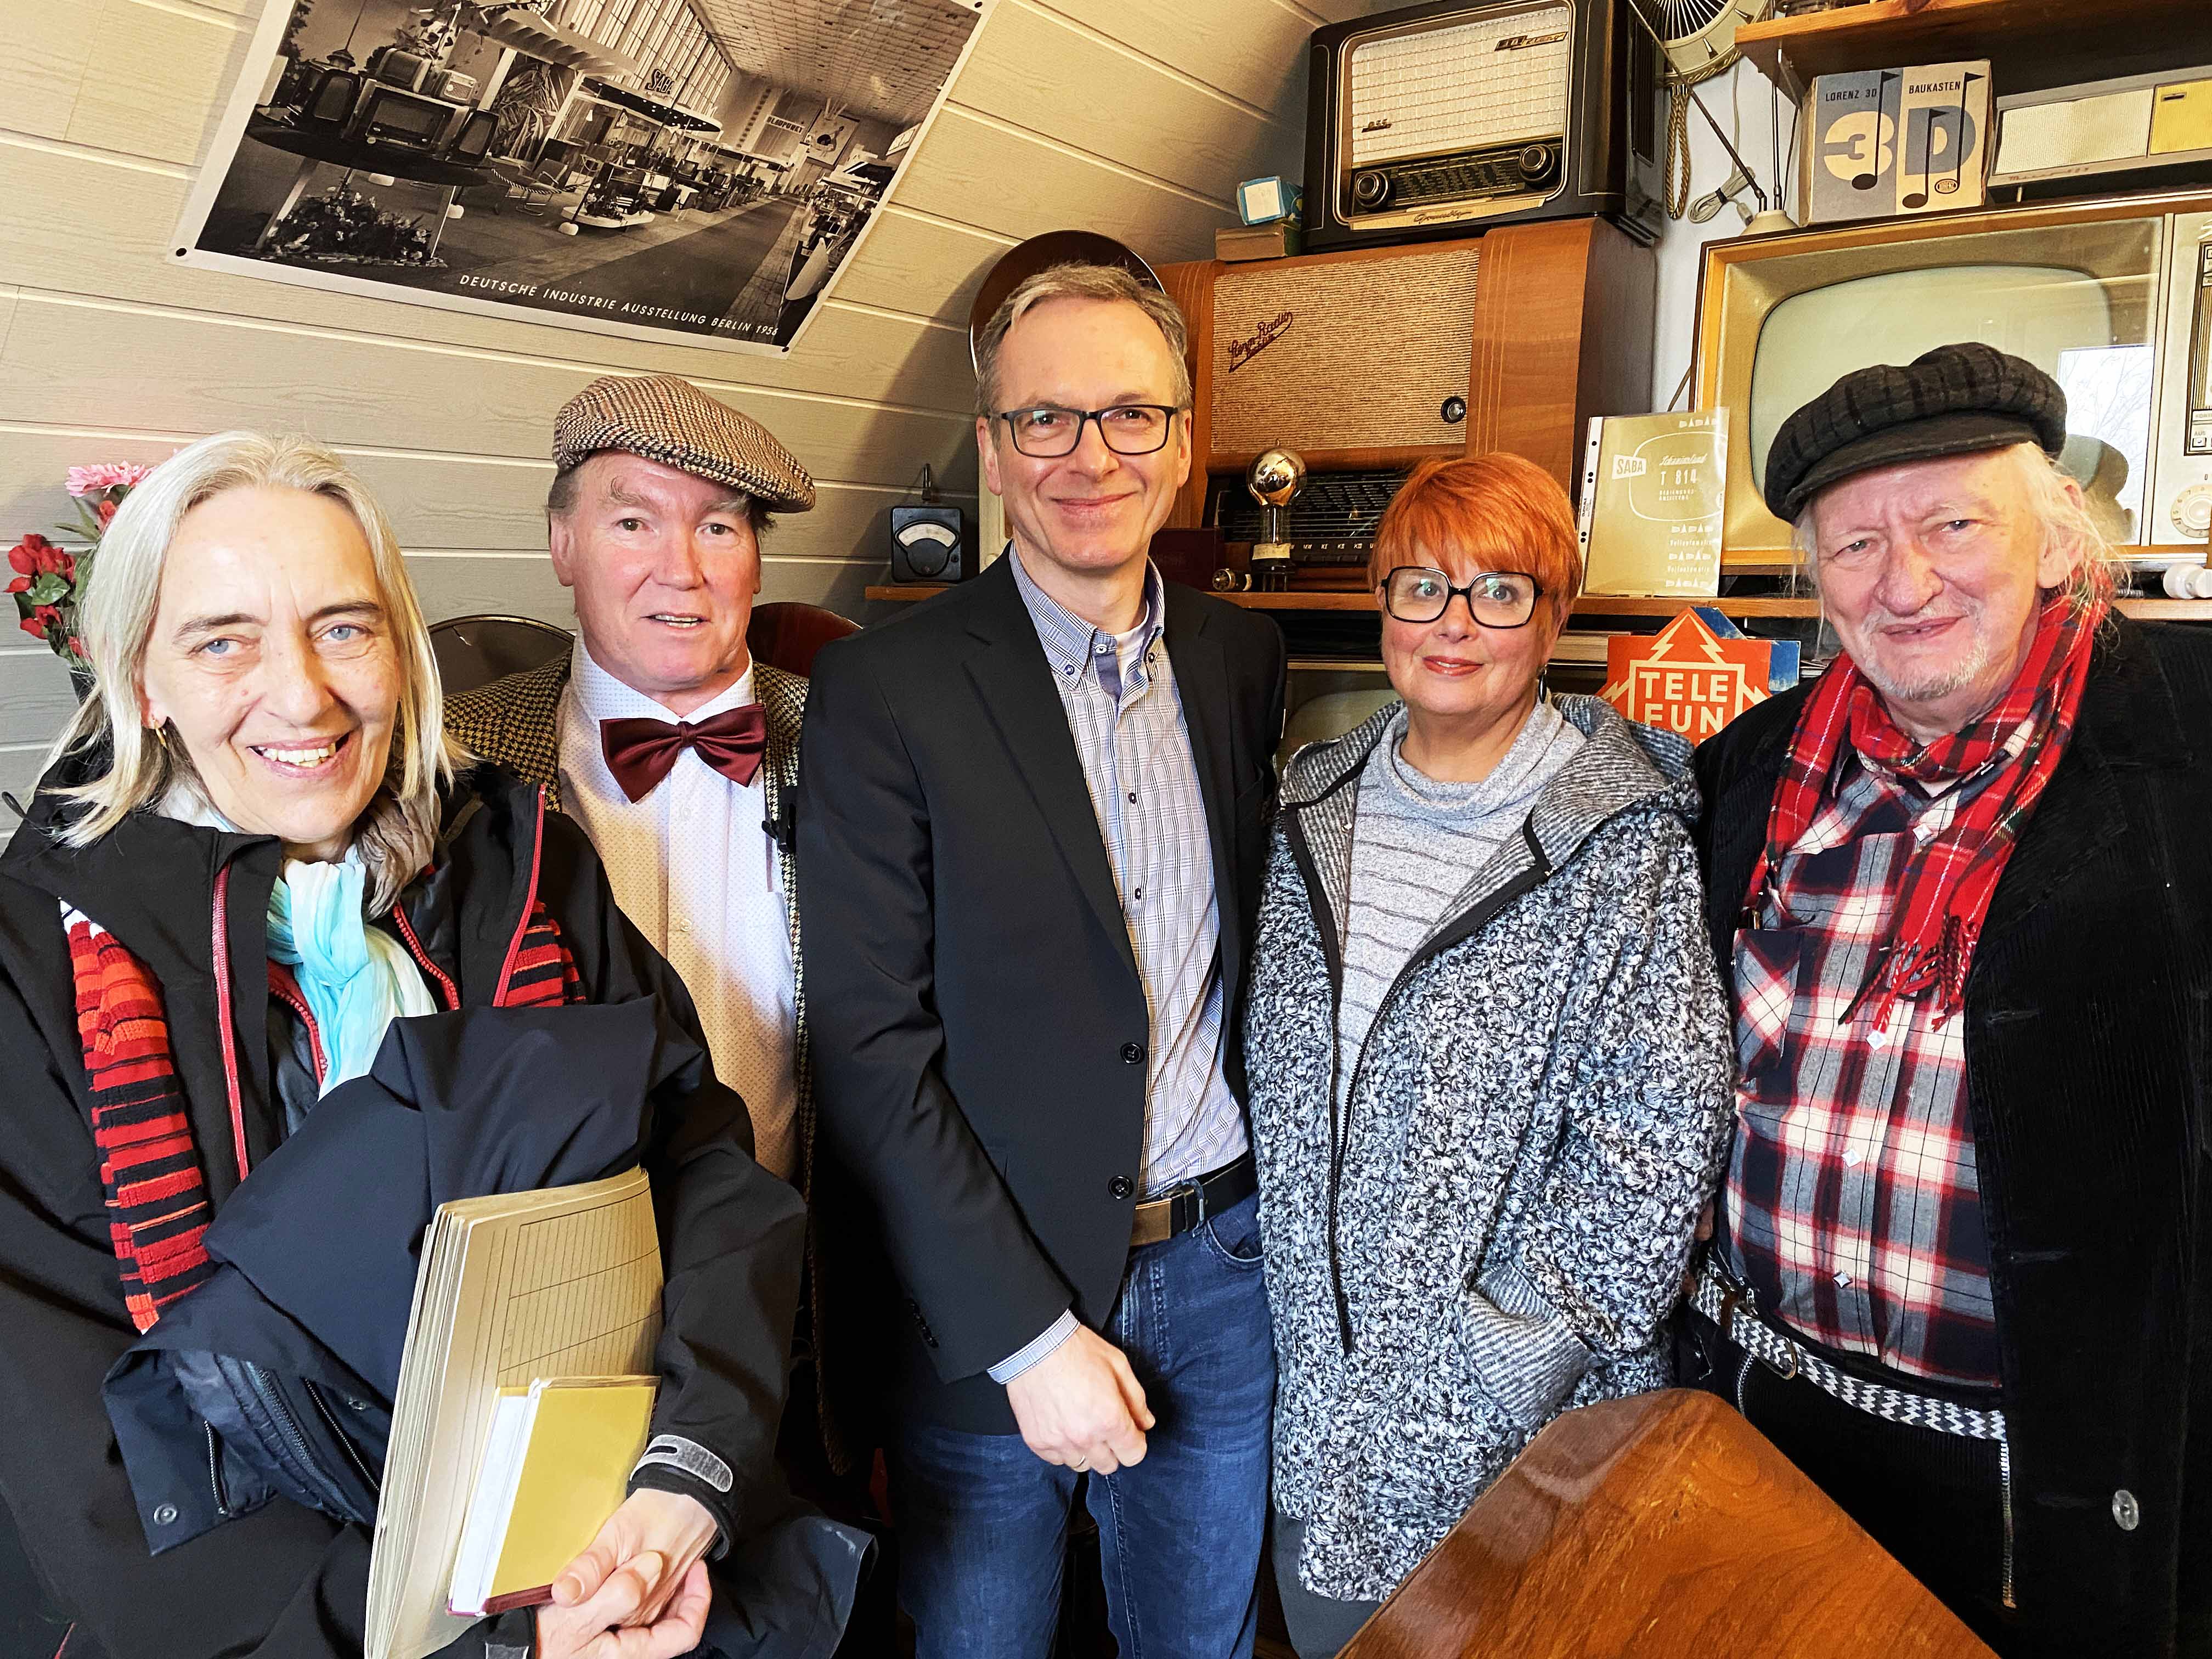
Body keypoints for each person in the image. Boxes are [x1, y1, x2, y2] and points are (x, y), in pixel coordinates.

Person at [0, 432, 809, 1659]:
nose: (303, 695)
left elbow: (698, 1164)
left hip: (602, 1560)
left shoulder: (523, 861)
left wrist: (680, 1484)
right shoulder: (34, 966)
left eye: (344, 627)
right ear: (141, 680)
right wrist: (492, 1645)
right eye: (224, 640)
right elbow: (88, 1458)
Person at [1684, 342, 2212, 1657]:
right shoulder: (1747, 776)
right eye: (1856, 546)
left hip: (2044, 1490)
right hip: (1755, 1426)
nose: (1905, 582)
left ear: (2052, 540)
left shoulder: (2190, 750)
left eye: (1951, 525)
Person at [797, 261, 1287, 1658]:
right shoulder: (882, 687)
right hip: (990, 1295)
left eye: (1131, 415)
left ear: (1185, 445)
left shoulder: (1245, 661)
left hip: (1224, 1272)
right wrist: (1026, 1335)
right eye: (1046, 421)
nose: (1092, 455)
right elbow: (869, 1048)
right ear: (993, 452)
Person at [1245, 453, 1734, 1656]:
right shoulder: (1313, 802)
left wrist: (1514, 1348)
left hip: (1526, 1428)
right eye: (1421, 587)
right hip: (1325, 1411)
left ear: (1554, 616)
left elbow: (1661, 1136)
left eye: (1499, 592)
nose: (1453, 625)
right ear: (1382, 604)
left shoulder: (1623, 843)